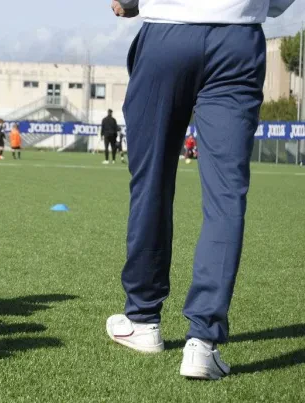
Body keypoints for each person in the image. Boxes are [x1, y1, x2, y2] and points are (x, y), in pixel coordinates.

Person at [106, 0, 296, 381]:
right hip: (238, 40)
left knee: (152, 181)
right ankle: (203, 343)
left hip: (166, 34)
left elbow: (124, 3)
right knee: (227, 196)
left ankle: (143, 320)